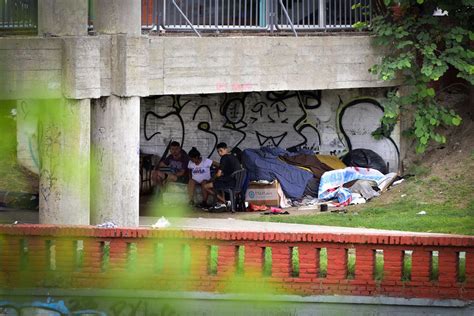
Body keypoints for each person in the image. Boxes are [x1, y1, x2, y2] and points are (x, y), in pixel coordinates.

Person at [203, 142, 241, 210]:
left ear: (226, 149)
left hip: (229, 183)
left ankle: (224, 202)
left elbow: (218, 174)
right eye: (218, 152)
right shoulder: (234, 157)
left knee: (206, 186)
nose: (220, 153)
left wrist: (212, 179)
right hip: (238, 183)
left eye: (221, 151)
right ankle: (222, 203)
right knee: (219, 181)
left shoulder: (224, 158)